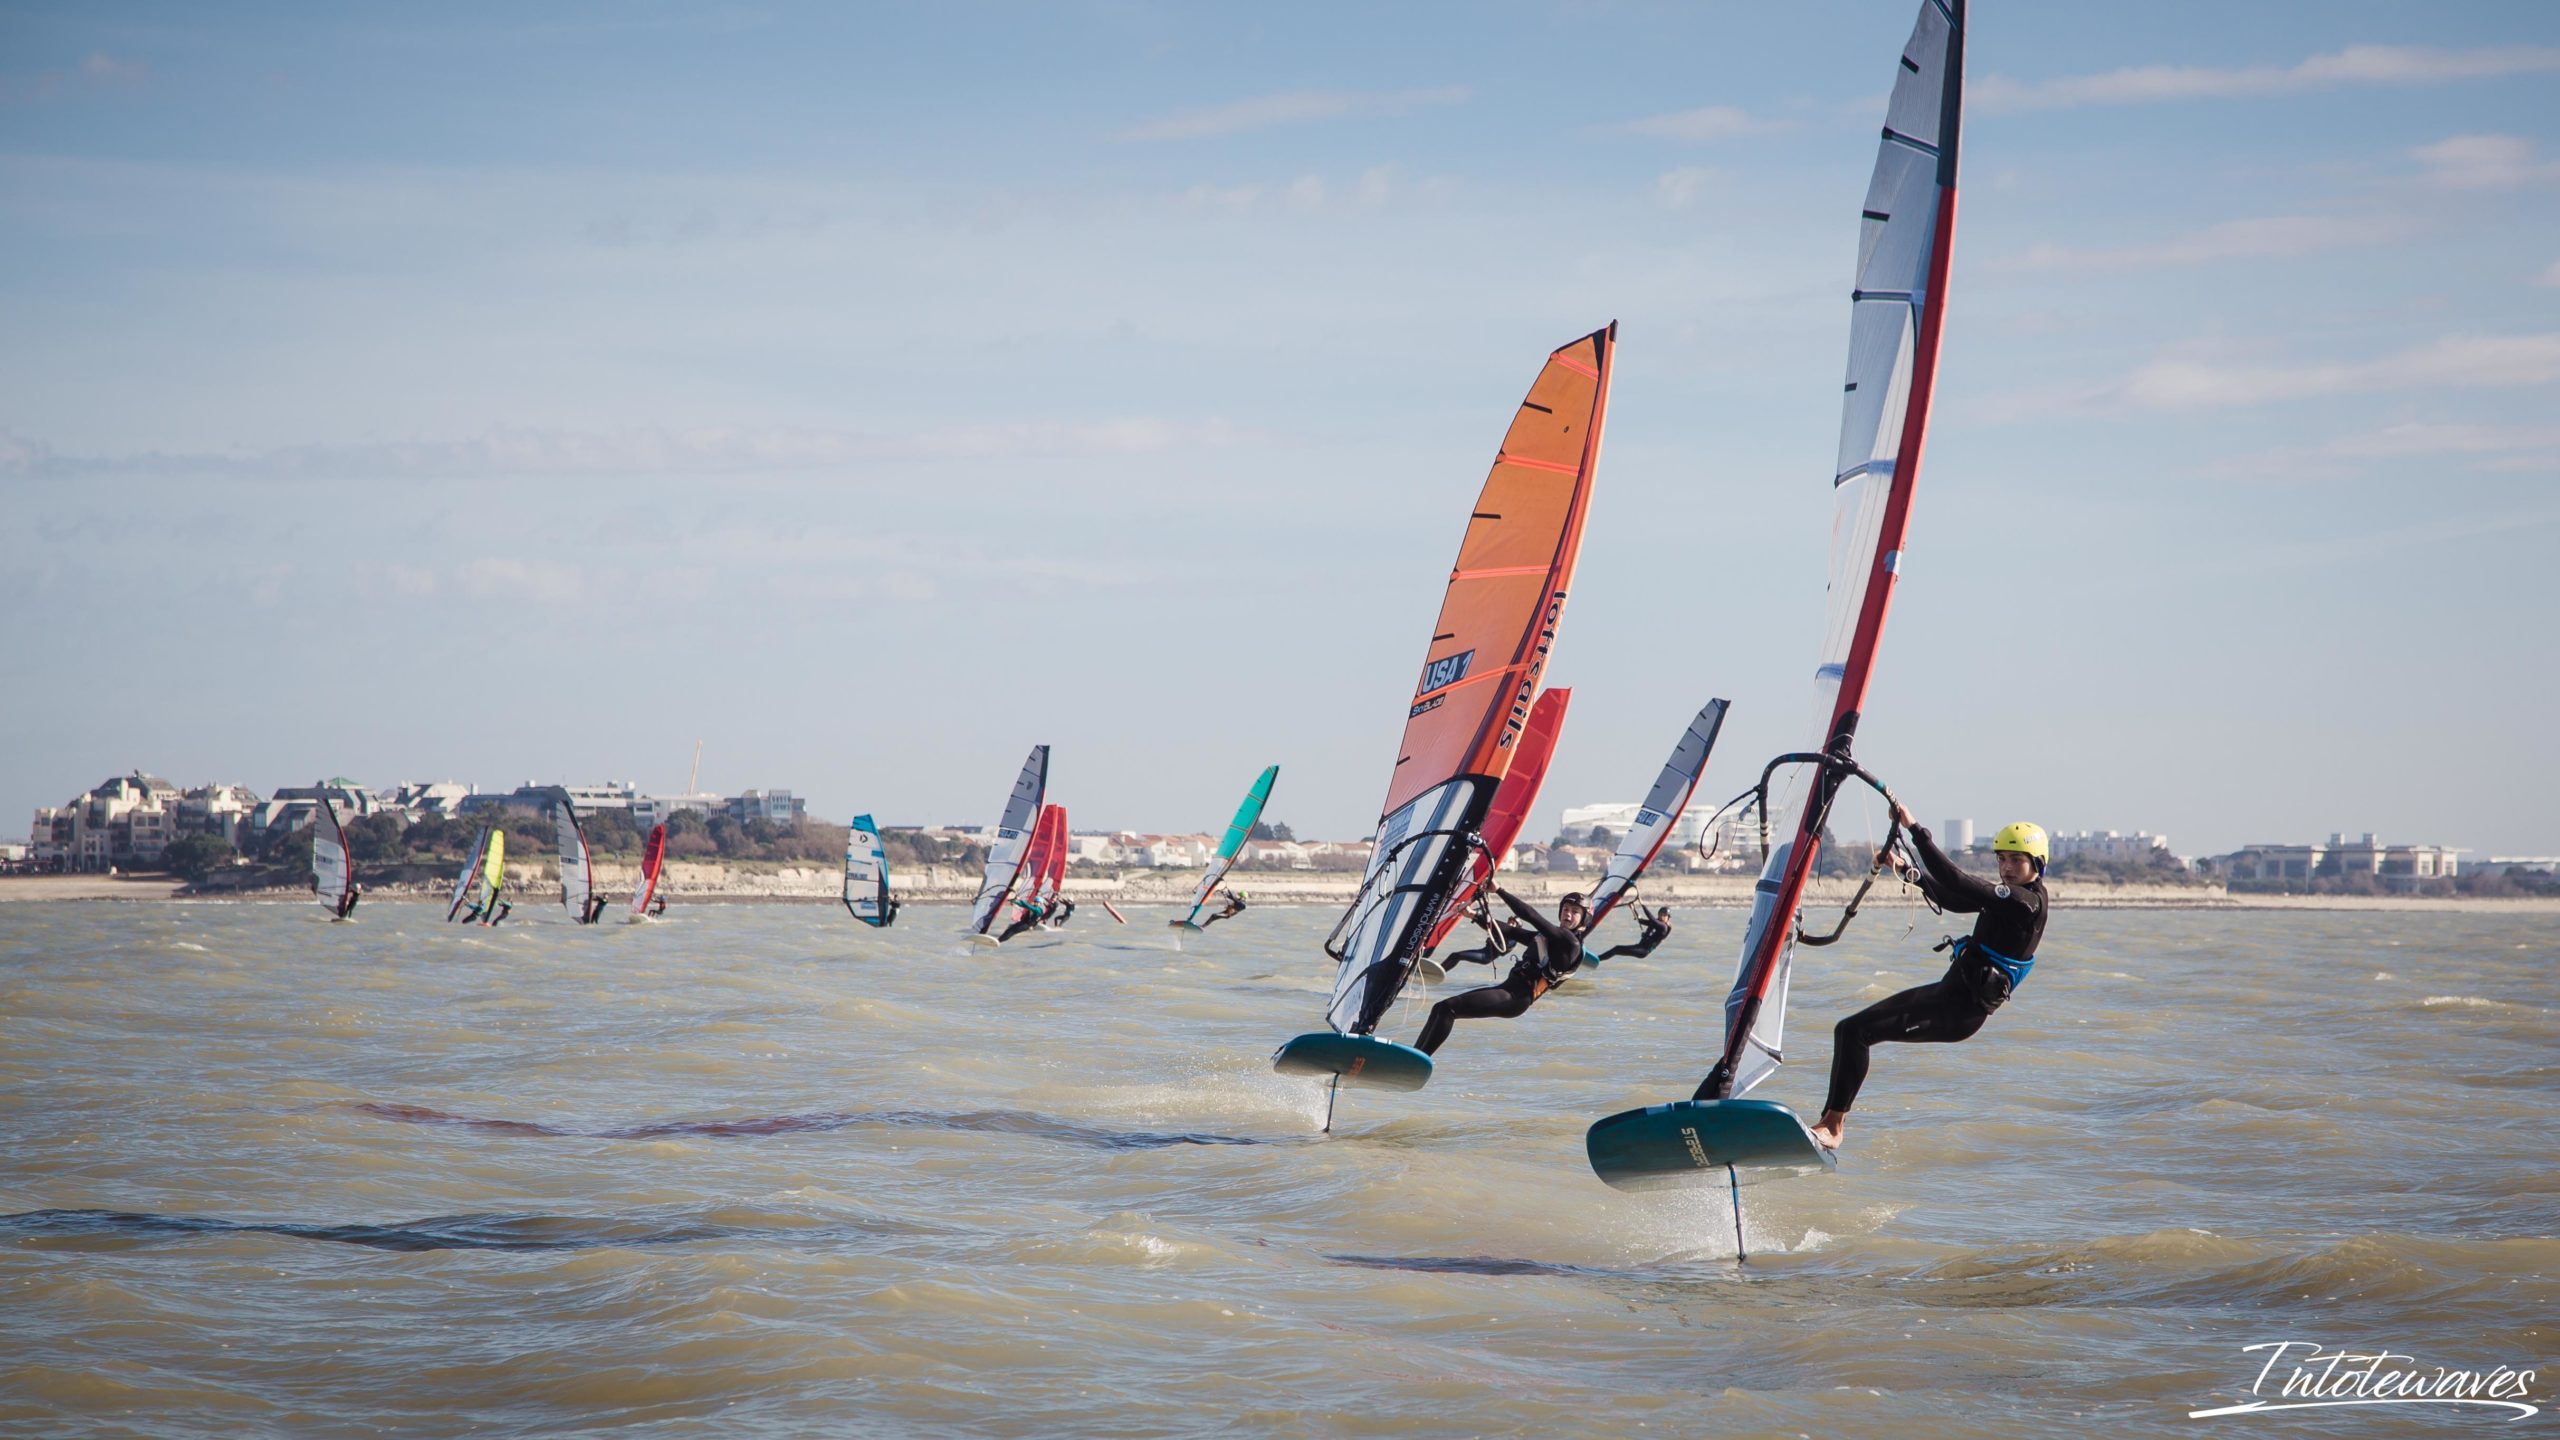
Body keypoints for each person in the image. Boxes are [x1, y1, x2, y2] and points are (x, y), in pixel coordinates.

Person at [1803, 813, 2049, 1152]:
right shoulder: (2008, 900)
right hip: (1944, 994)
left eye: (2017, 860)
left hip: (1958, 1014)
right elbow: (1952, 897)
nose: (2006, 867)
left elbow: (1957, 879)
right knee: (1848, 1029)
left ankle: (1833, 1128)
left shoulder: (2027, 904)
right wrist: (1903, 869)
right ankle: (1829, 1124)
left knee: (1857, 1033)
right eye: (2002, 859)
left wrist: (1915, 829)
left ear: (2037, 862)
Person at [1413, 887, 1588, 1055]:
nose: (1568, 914)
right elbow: (1510, 931)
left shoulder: (1570, 944)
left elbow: (1530, 915)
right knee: (1440, 1008)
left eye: (1575, 911)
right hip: (1507, 990)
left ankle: (1418, 1061)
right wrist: (1474, 916)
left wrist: (1499, 891)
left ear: (1584, 919)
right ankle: (1415, 1054)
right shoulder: (1548, 939)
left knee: (1449, 1009)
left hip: (1515, 998)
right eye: (1565, 909)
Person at [1588, 902, 1671, 965]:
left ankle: (1596, 960)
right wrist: (1633, 909)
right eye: (1660, 914)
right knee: (1617, 949)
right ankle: (1596, 959)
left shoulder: (1663, 927)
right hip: (1639, 946)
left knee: (1617, 949)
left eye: (1664, 915)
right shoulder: (1656, 923)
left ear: (1668, 917)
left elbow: (1652, 919)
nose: (1662, 916)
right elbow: (1641, 920)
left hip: (1643, 951)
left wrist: (1642, 905)